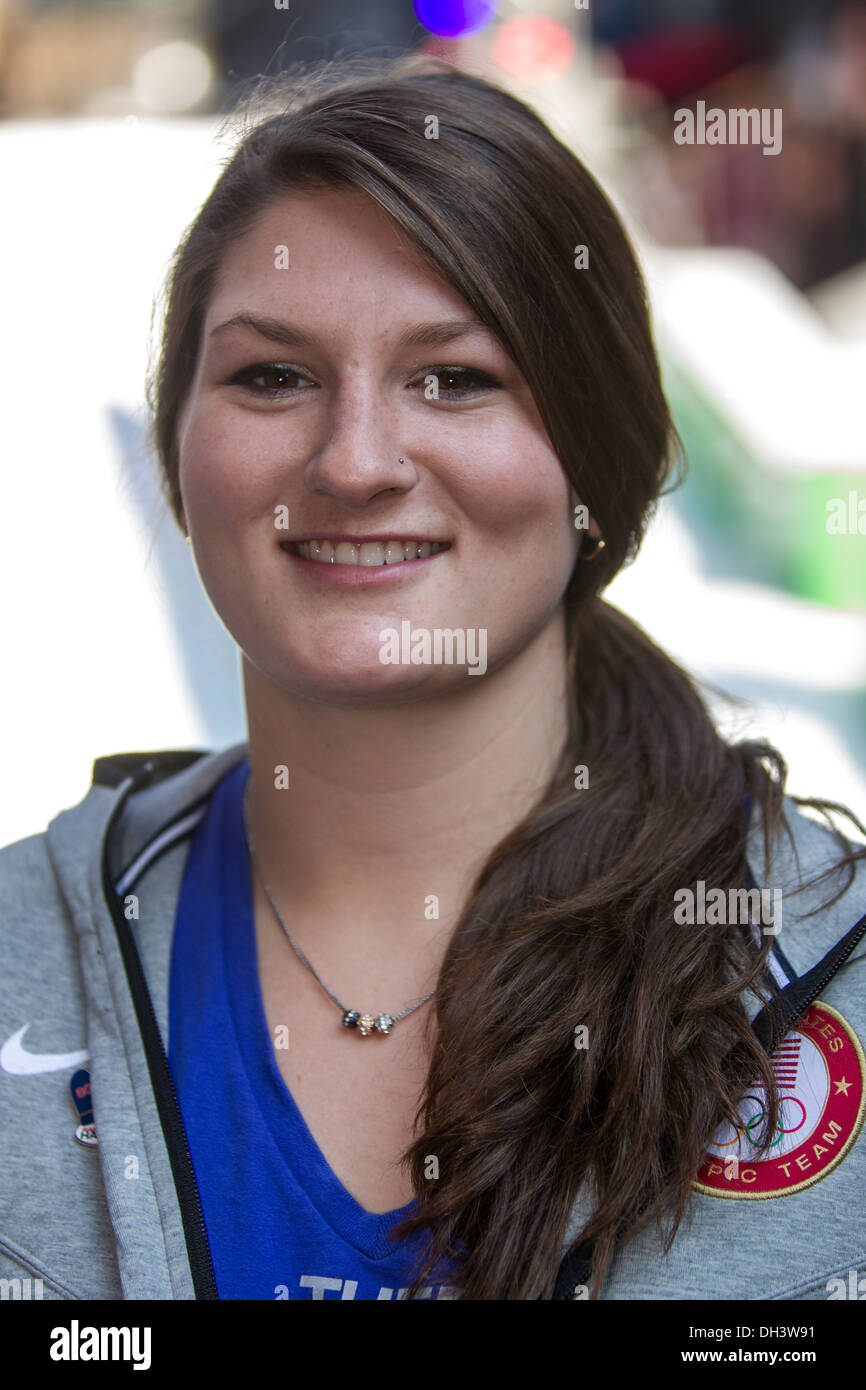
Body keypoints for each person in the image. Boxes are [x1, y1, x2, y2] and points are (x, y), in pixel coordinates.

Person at [1, 53, 865, 1303]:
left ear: (596, 457)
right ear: (174, 449)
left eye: (455, 379)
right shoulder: (23, 946)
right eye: (272, 376)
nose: (354, 462)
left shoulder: (831, 966)